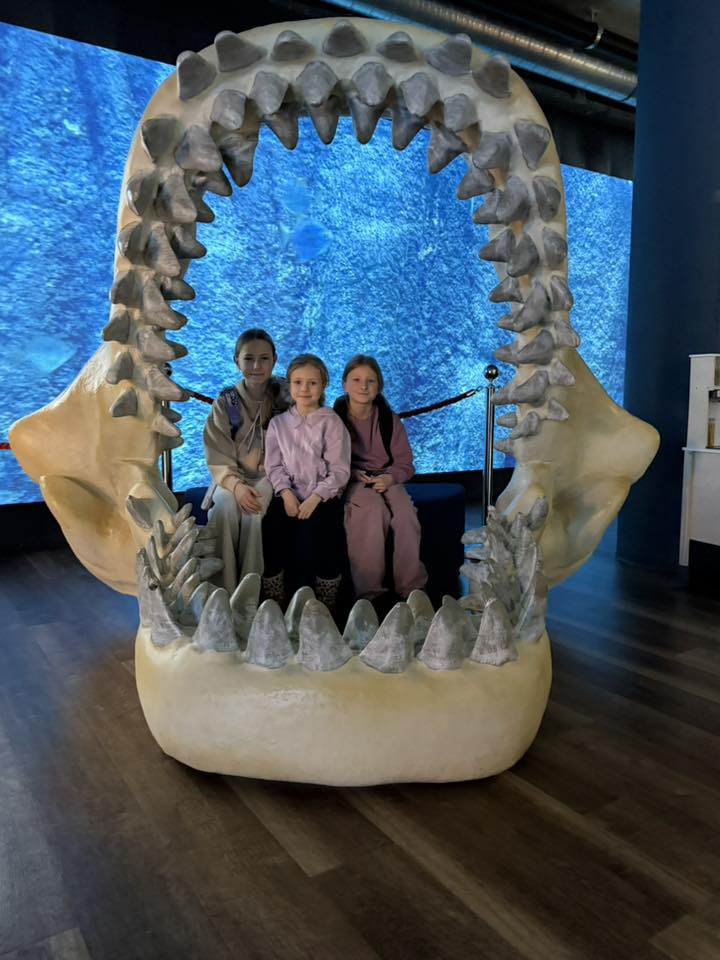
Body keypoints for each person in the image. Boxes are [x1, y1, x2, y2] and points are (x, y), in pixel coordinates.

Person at [334, 354, 427, 603]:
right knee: (372, 512)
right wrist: (351, 473)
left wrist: (390, 478)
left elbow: (406, 463)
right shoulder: (334, 419)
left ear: (379, 386)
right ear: (344, 384)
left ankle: (412, 587)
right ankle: (369, 592)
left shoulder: (388, 419)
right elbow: (328, 460)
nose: (363, 386)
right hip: (352, 479)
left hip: (386, 477)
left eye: (370, 381)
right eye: (356, 380)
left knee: (406, 515)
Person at [203, 328, 289, 594]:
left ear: (274, 360)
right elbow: (217, 453)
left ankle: (249, 594)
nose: (256, 366)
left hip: (269, 476)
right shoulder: (226, 403)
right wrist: (236, 485)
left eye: (264, 359)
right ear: (236, 360)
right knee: (225, 507)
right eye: (248, 358)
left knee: (255, 510)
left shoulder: (285, 396)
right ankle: (222, 590)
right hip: (231, 477)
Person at [263, 354, 351, 610]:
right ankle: (275, 601)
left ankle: (326, 605)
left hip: (322, 495)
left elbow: (339, 469)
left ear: (324, 385)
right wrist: (286, 493)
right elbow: (274, 466)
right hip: (289, 494)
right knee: (271, 531)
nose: (305, 389)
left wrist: (316, 497)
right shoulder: (278, 424)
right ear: (289, 384)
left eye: (312, 383)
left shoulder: (331, 421)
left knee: (326, 538)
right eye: (298, 382)